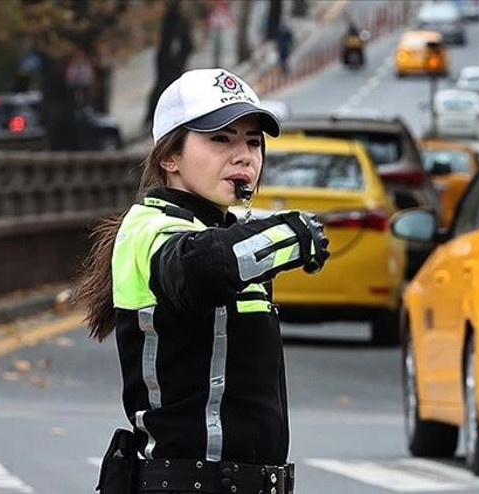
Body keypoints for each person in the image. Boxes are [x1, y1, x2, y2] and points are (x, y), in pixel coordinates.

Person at [75, 68, 329, 494]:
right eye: (220, 139)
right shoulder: (149, 227)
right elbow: (199, 269)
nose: (244, 156)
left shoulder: (225, 232)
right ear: (169, 157)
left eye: (253, 142)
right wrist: (290, 234)